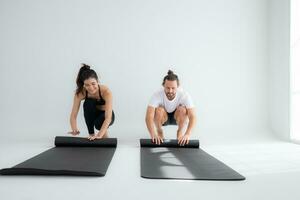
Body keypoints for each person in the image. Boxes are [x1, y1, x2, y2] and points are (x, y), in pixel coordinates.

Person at [145, 70, 196, 146]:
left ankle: (180, 131)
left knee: (182, 109)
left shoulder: (184, 95)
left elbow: (193, 116)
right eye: (167, 88)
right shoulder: (157, 94)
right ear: (163, 86)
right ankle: (159, 131)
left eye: (173, 88)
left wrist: (187, 134)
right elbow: (148, 116)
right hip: (163, 118)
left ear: (177, 87)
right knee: (159, 110)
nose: (170, 91)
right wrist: (153, 134)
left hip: (178, 117)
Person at [69, 64, 115, 140]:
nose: (91, 88)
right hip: (93, 115)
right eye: (87, 85)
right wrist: (74, 129)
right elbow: (73, 115)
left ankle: (104, 137)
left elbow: (108, 117)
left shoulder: (106, 92)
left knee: (99, 124)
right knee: (88, 103)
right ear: (83, 85)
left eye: (93, 84)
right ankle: (91, 134)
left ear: (97, 81)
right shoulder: (81, 93)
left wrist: (99, 135)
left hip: (106, 116)